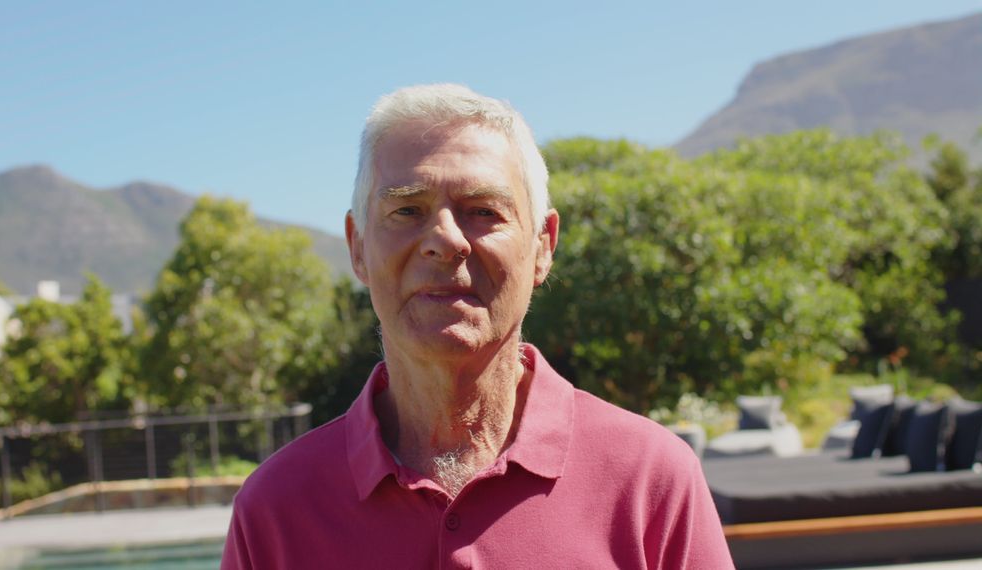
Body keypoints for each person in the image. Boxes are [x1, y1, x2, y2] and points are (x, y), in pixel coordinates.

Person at [222, 84, 734, 569]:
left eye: (482, 211)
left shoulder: (650, 479)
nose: (445, 241)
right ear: (357, 247)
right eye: (406, 209)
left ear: (543, 246)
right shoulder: (275, 509)